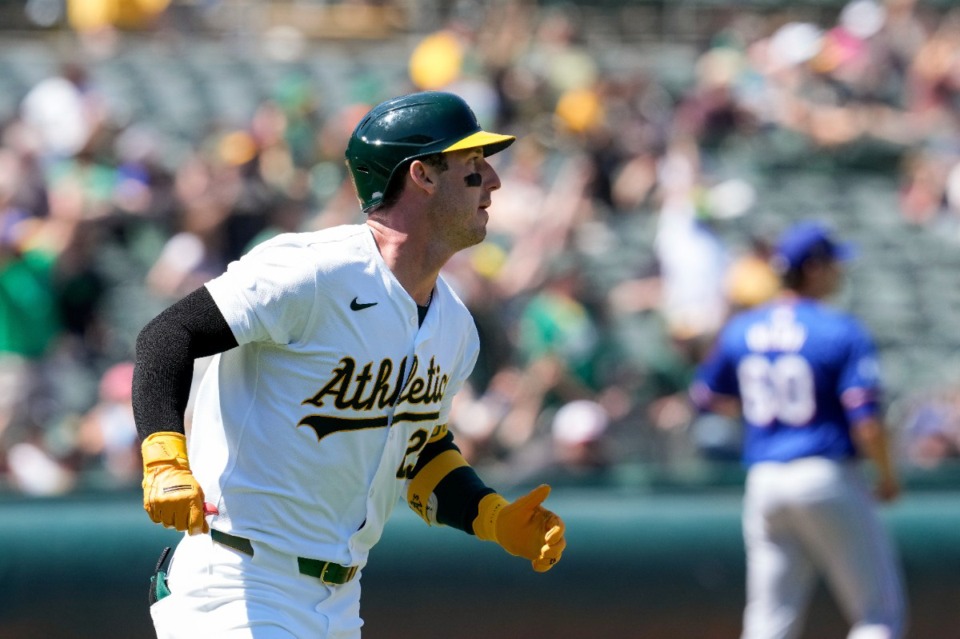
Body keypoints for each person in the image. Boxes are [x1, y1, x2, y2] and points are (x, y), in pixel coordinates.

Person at [133, 91, 566, 639]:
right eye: (473, 166)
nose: (493, 182)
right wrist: (165, 457)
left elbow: (421, 450)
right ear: (422, 176)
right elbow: (168, 335)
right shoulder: (313, 272)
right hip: (237, 582)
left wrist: (492, 516)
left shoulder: (455, 327)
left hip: (339, 602)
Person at [689, 220, 906, 639]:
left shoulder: (743, 328)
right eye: (833, 264)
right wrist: (887, 476)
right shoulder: (839, 329)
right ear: (814, 268)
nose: (840, 273)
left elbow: (706, 396)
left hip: (765, 480)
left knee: (771, 620)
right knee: (878, 614)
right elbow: (866, 422)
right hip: (824, 472)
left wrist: (757, 407)